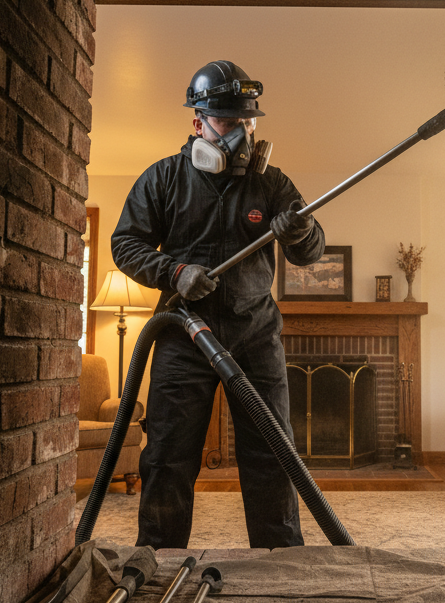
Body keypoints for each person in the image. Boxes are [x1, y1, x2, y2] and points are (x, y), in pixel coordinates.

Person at [111, 60, 324, 549]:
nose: (239, 135)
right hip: (184, 335)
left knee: (273, 453)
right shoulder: (163, 179)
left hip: (255, 335)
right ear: (198, 123)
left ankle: (281, 567)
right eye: (227, 122)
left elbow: (308, 252)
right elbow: (126, 244)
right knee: (167, 455)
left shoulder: (272, 185)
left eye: (247, 122)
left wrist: (303, 229)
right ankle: (159, 564)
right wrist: (176, 272)